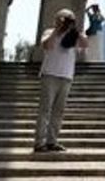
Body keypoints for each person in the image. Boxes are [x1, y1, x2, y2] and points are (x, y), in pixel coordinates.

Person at [34, 8, 87, 153]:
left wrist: (75, 28)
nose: (66, 20)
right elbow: (47, 45)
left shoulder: (74, 36)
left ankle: (52, 141)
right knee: (44, 110)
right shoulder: (49, 32)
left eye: (69, 18)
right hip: (50, 74)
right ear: (56, 19)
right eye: (64, 18)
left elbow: (85, 44)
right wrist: (57, 29)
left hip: (66, 76)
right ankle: (39, 142)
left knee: (58, 111)